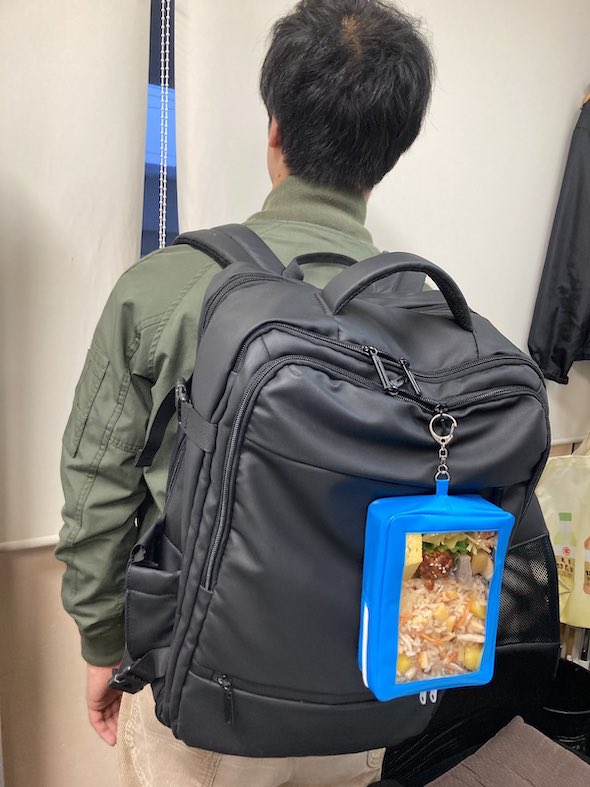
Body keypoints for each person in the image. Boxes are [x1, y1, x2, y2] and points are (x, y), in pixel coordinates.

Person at [56, 1, 434, 785]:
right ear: (392, 153)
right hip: (360, 698)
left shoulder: (167, 286)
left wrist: (100, 643)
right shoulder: (426, 318)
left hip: (198, 690)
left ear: (274, 128)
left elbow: (98, 486)